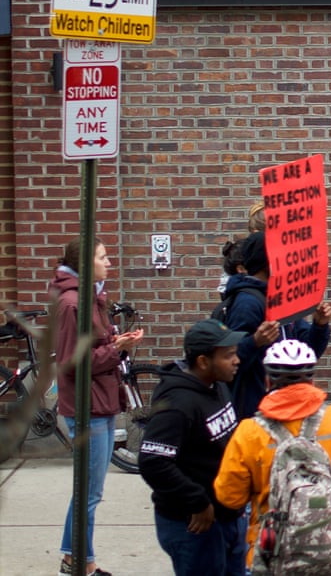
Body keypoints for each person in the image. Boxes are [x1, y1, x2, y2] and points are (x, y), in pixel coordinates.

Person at [213, 339, 331, 563]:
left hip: (272, 551)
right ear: (312, 379)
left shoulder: (249, 432)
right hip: (330, 546)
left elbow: (229, 497)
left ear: (267, 381)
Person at [53, 237, 145, 576]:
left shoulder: (91, 298)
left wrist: (118, 344)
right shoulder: (72, 304)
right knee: (88, 493)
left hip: (101, 401)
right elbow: (71, 361)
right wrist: (115, 348)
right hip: (85, 406)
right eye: (103, 257)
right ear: (86, 263)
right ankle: (80, 562)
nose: (109, 262)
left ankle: (73, 558)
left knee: (91, 491)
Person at [139, 319, 247, 576]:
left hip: (228, 516)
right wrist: (198, 502)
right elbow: (153, 462)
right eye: (228, 356)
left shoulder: (217, 385)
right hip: (195, 524)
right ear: (202, 361)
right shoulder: (177, 403)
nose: (237, 361)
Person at [226, 231, 331, 419]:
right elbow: (229, 362)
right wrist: (255, 342)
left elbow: (307, 352)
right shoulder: (247, 303)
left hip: (286, 405)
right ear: (265, 261)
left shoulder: (280, 299)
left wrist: (319, 325)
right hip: (258, 410)